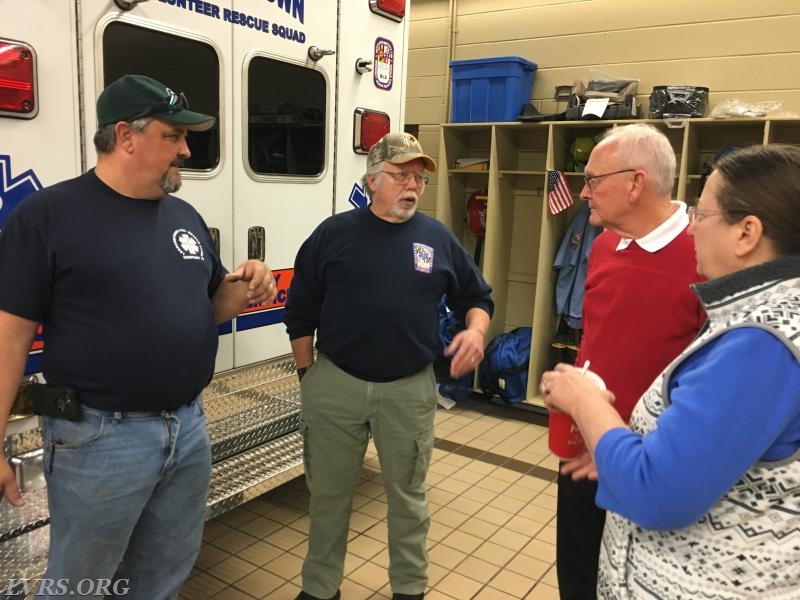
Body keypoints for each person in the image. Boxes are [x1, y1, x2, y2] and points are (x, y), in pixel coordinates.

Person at [0, 74, 277, 599]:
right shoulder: (49, 216)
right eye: (174, 137)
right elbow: (8, 339)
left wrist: (247, 285)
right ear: (126, 135)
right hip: (99, 440)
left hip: (189, 426)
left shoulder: (184, 215)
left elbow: (213, 305)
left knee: (161, 575)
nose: (187, 150)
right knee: (78, 583)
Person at [540, 143, 800, 599]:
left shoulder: (762, 341)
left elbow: (659, 490)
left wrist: (585, 403)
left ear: (747, 234)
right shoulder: (756, 314)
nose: (693, 225)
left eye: (703, 214)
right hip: (610, 461)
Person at [283, 132, 493, 600]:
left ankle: (409, 589)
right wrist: (308, 375)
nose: (412, 185)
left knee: (409, 500)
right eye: (402, 175)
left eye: (418, 177)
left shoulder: (435, 237)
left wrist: (475, 331)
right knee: (329, 498)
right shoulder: (333, 235)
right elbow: (300, 310)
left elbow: (476, 296)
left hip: (408, 388)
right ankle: (320, 589)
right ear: (373, 179)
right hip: (335, 384)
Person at [555, 123, 706, 600]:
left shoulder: (705, 254)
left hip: (649, 464)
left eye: (594, 181)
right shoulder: (604, 243)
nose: (583, 193)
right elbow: (598, 338)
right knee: (576, 577)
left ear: (636, 182)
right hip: (583, 448)